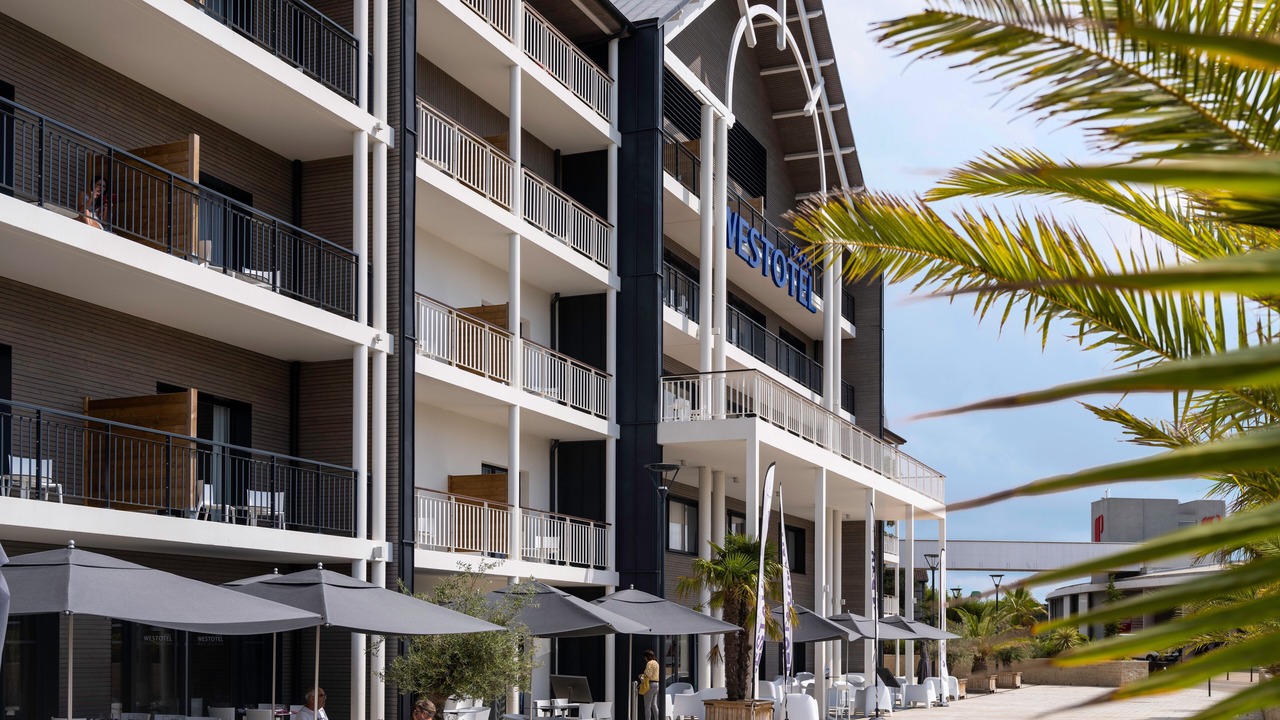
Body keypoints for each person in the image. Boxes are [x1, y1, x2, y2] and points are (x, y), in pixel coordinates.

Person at [639, 649, 659, 720]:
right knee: (654, 705)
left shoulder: (649, 663)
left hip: (650, 685)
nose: (644, 659)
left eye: (645, 657)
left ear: (647, 657)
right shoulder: (656, 663)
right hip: (656, 684)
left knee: (647, 706)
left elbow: (648, 674)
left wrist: (641, 676)